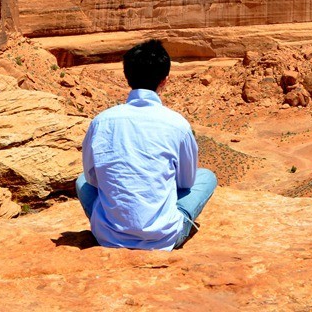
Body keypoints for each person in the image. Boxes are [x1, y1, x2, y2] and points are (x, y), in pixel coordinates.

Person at [75, 39, 217, 250]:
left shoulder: (101, 121)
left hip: (108, 237)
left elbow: (92, 178)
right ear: (165, 80)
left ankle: (115, 224)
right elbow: (186, 182)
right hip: (165, 238)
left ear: (127, 77)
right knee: (206, 177)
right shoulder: (177, 124)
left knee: (81, 181)